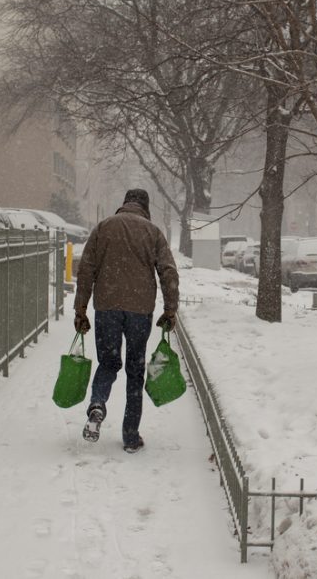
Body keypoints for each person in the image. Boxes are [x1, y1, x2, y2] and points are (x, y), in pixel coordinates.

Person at [73, 188, 179, 453]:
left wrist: (81, 308)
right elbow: (168, 271)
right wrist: (170, 309)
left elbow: (86, 269)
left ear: (125, 204)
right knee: (135, 369)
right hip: (139, 310)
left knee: (108, 363)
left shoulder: (103, 228)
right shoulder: (153, 233)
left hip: (107, 307)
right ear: (145, 207)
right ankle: (131, 436)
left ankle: (97, 403)